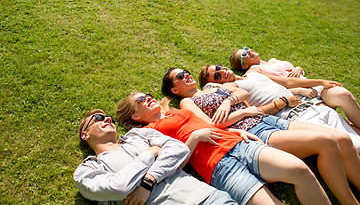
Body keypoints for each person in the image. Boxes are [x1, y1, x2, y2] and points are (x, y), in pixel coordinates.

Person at [162, 67, 360, 205]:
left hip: (270, 120)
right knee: (325, 141)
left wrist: (228, 102)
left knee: (341, 139)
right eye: (180, 75)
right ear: (175, 89)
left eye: (186, 72)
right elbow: (211, 126)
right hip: (255, 130)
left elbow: (241, 93)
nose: (186, 75)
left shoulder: (211, 87)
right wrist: (242, 113)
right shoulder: (186, 104)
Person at [116, 93, 332, 205]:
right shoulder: (149, 133)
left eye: (146, 95)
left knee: (300, 171)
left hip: (239, 144)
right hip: (218, 167)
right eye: (141, 100)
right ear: (136, 116)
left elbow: (209, 125)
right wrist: (193, 138)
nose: (148, 97)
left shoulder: (173, 111)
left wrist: (237, 131)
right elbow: (175, 164)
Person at [74, 109, 239, 205]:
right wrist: (151, 153)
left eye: (109, 118)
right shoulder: (87, 170)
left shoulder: (138, 134)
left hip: (207, 198)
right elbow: (118, 188)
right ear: (85, 134)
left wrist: (148, 182)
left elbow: (179, 149)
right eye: (99, 118)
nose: (108, 119)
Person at [198, 64, 360, 152]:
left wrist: (320, 81)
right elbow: (255, 114)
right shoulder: (231, 88)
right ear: (216, 83)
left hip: (313, 106)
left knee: (356, 139)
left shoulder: (254, 72)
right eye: (217, 75)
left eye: (219, 67)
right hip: (297, 118)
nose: (222, 72)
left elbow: (288, 83)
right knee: (355, 146)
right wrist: (282, 102)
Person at [229, 47, 360, 129]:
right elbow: (286, 82)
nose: (248, 52)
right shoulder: (255, 70)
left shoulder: (273, 60)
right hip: (303, 94)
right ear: (244, 66)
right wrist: (319, 82)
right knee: (337, 121)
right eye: (244, 55)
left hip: (315, 86)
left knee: (344, 95)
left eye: (246, 49)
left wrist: (299, 68)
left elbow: (294, 72)